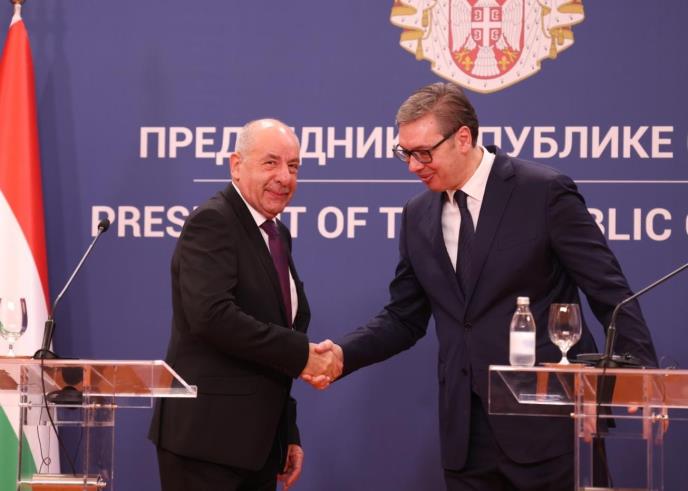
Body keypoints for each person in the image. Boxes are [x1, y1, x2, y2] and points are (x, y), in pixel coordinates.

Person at [305, 83, 657, 490]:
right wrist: (343, 354)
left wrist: (640, 375)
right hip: (467, 438)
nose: (413, 166)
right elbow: (404, 317)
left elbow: (609, 290)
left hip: (549, 427)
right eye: (405, 153)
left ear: (463, 138)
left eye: (423, 153)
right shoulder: (418, 214)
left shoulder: (542, 192)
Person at [149, 118, 342, 491]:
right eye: (271, 163)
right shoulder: (213, 221)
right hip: (206, 445)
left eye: (293, 166)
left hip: (258, 446)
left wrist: (287, 431)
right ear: (236, 165)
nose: (284, 177)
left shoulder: (276, 233)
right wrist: (303, 354)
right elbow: (212, 317)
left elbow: (278, 333)